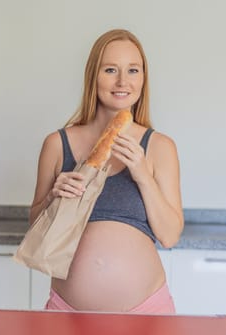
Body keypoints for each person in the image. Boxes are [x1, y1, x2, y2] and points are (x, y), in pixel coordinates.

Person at [29, 29, 184, 314]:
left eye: (133, 70)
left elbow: (170, 235)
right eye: (111, 69)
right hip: (67, 312)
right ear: (93, 77)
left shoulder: (160, 146)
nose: (123, 81)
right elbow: (35, 226)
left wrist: (142, 176)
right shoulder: (57, 144)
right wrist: (54, 196)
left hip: (146, 314)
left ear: (143, 79)